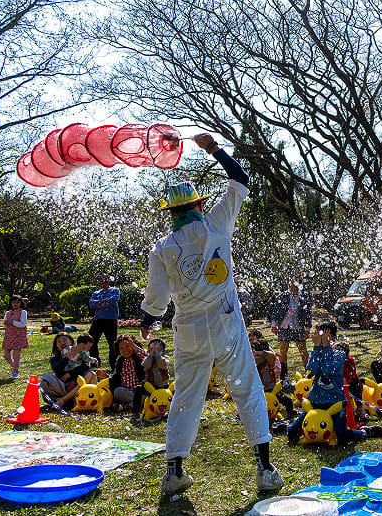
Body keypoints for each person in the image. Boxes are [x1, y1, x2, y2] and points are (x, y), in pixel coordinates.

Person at [139, 133, 283, 496]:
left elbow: (155, 299)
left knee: (187, 396)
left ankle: (174, 472)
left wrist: (149, 318)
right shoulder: (216, 223)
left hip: (187, 327)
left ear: (171, 213)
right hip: (225, 320)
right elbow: (240, 180)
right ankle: (265, 469)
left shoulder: (163, 247)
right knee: (247, 388)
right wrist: (213, 148)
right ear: (200, 206)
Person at [286, 320, 382, 443]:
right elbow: (311, 368)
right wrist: (316, 347)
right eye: (320, 336)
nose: (323, 340)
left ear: (334, 338)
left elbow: (328, 370)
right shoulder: (316, 352)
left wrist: (326, 347)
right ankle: (288, 427)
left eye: (326, 337)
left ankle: (364, 432)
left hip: (335, 403)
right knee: (291, 434)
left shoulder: (340, 354)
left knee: (342, 436)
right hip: (315, 402)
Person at [270, 273, 312, 383]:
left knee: (303, 351)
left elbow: (308, 313)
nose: (293, 285)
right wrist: (274, 325)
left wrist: (307, 329)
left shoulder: (304, 296)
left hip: (298, 326)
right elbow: (275, 311)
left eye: (295, 282)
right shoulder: (283, 296)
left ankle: (310, 374)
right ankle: (284, 377)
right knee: (283, 351)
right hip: (285, 326)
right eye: (291, 282)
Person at [41, 332, 98, 409]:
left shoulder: (80, 354)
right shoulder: (55, 359)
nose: (62, 343)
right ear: (56, 345)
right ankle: (71, 399)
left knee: (91, 374)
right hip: (62, 387)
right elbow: (58, 370)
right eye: (59, 342)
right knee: (46, 378)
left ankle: (63, 400)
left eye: (64, 340)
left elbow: (86, 367)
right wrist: (69, 355)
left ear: (71, 342)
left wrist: (70, 374)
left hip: (78, 385)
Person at [249, 329, 295, 418]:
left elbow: (271, 355)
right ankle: (242, 415)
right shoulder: (255, 362)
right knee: (250, 404)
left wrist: (259, 353)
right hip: (259, 391)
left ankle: (290, 412)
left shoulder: (270, 363)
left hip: (273, 391)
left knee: (288, 401)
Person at [131, 337, 171, 422]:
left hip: (163, 387)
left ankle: (173, 411)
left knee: (175, 390)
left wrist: (157, 354)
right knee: (138, 389)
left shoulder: (165, 358)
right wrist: (151, 354)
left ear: (163, 350)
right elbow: (146, 365)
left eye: (158, 347)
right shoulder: (148, 359)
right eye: (152, 347)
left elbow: (162, 364)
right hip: (151, 387)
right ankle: (135, 413)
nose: (155, 349)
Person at [89, 273, 120, 370]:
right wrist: (102, 301)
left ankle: (113, 365)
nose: (102, 281)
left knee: (112, 343)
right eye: (99, 279)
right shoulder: (96, 293)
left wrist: (99, 304)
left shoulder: (115, 290)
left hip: (111, 320)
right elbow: (91, 304)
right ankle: (95, 363)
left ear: (108, 279)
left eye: (104, 279)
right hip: (98, 320)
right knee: (91, 341)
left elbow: (114, 300)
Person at [109, 334, 147, 410]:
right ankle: (134, 404)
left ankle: (127, 406)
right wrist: (106, 376)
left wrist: (135, 348)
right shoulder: (120, 362)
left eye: (127, 346)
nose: (125, 350)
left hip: (141, 392)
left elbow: (148, 358)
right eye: (121, 348)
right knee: (117, 391)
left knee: (146, 398)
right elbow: (116, 378)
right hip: (125, 393)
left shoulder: (140, 356)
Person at [2, 295, 28, 381]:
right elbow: (4, 324)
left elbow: (22, 324)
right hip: (9, 336)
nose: (15, 304)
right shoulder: (7, 313)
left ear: (21, 303)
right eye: (13, 302)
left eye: (17, 302)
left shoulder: (23, 312)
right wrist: (6, 323)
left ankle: (15, 372)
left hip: (19, 336)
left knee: (16, 356)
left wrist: (12, 322)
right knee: (6, 355)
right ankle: (15, 367)